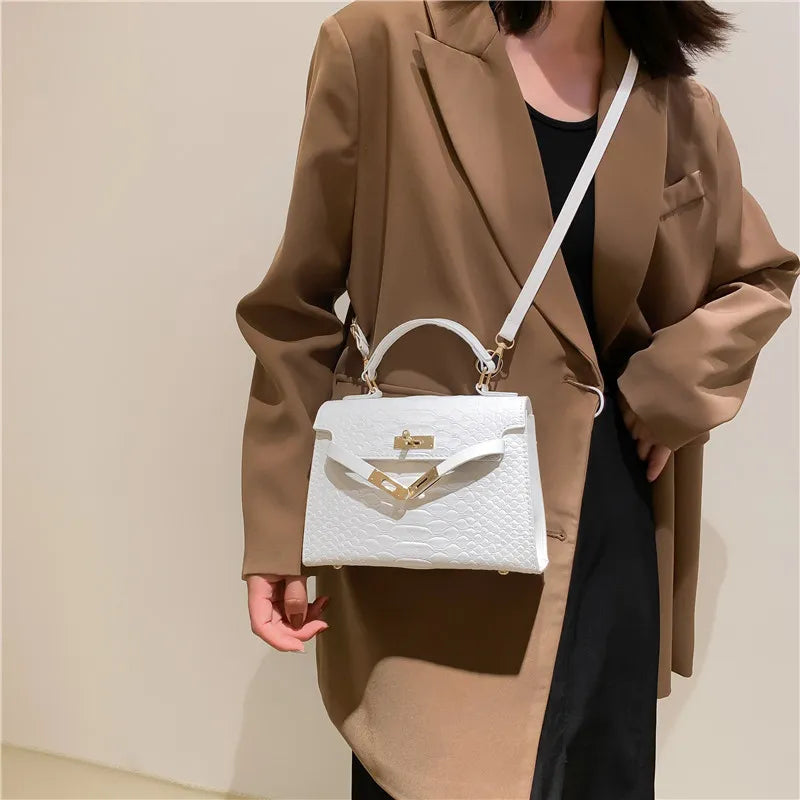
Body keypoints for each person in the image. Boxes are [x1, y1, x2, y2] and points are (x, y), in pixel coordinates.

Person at [234, 2, 799, 798]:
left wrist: (669, 388)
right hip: (432, 520)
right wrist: (276, 529)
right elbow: (293, 309)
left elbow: (758, 277)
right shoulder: (381, 47)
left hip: (604, 522)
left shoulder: (666, 96)